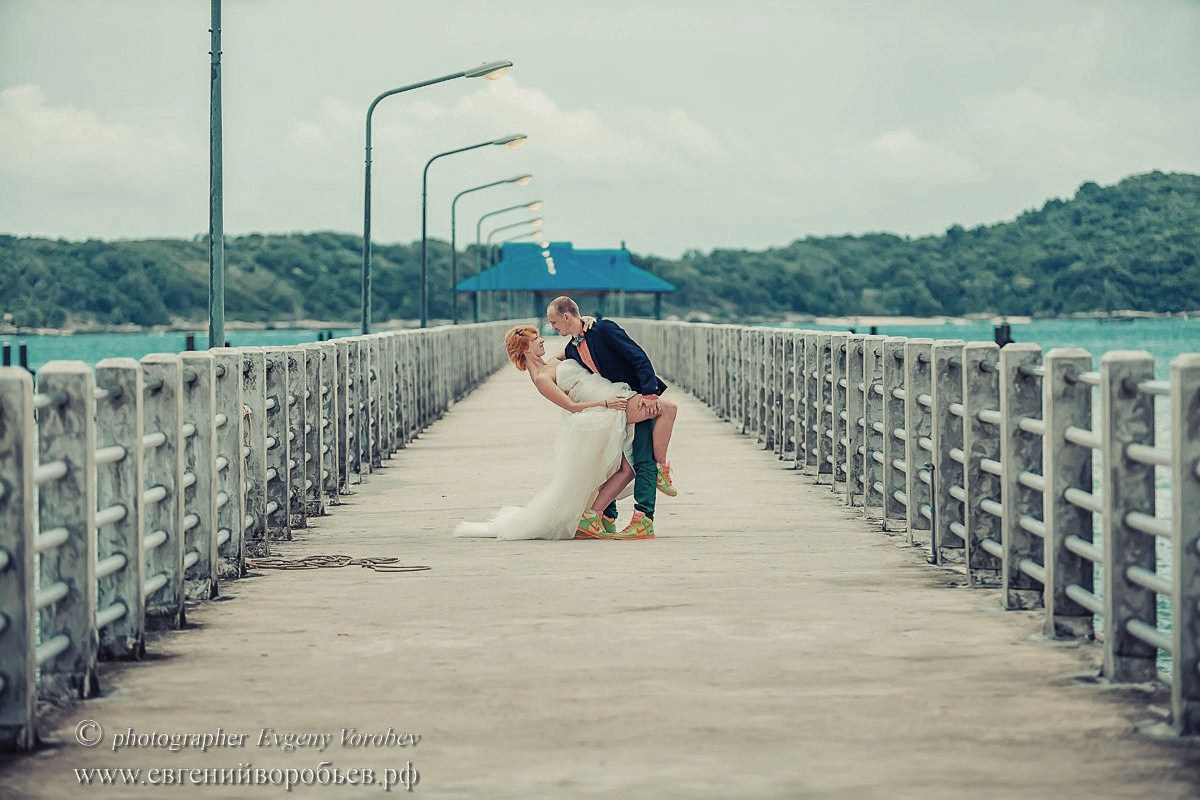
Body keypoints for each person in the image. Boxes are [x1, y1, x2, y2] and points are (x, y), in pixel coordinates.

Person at [454, 325, 666, 541]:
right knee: (623, 462)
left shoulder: (553, 361)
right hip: (599, 412)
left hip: (609, 405)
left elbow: (577, 342)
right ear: (525, 347)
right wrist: (605, 403)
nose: (542, 340)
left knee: (612, 466)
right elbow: (570, 406)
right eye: (536, 338)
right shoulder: (541, 380)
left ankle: (601, 517)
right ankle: (602, 513)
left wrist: (586, 322)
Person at [547, 296, 677, 540]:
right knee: (616, 462)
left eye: (554, 322)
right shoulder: (573, 347)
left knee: (642, 459)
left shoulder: (603, 329)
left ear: (567, 316)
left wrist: (649, 393)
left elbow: (638, 356)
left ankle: (643, 518)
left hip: (639, 396)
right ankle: (604, 517)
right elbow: (553, 363)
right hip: (618, 403)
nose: (552, 327)